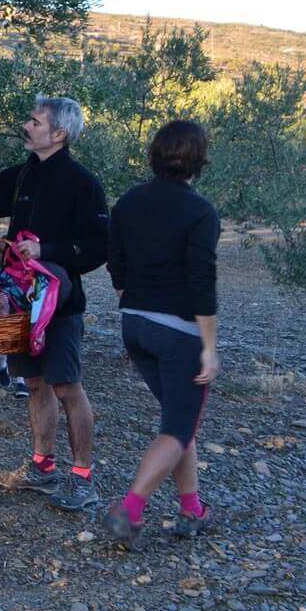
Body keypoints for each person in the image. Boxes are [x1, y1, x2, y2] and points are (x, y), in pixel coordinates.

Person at [0, 96, 109, 512]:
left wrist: (48, 251)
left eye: (35, 122)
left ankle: (83, 480)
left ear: (58, 134)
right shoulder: (25, 175)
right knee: (36, 383)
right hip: (22, 303)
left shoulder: (82, 183)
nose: (26, 125)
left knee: (67, 387)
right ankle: (43, 469)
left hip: (60, 307)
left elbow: (100, 246)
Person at [100, 120, 220, 547]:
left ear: (154, 155)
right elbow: (202, 282)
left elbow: (115, 260)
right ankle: (129, 511)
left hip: (134, 324)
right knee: (177, 428)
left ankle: (192, 508)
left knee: (179, 419)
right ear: (199, 160)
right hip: (178, 333)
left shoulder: (129, 202)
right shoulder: (201, 211)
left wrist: (133, 295)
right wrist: (209, 347)